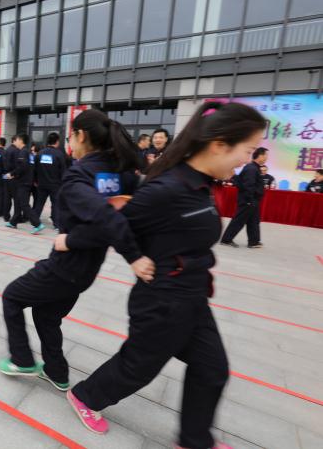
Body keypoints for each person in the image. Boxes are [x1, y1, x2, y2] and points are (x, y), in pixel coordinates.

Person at [66, 102, 266, 449]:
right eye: (248, 150)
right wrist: (81, 244)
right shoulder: (167, 189)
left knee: (212, 369)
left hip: (193, 295)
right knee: (138, 367)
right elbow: (111, 223)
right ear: (219, 145)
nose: (249, 160)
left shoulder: (200, 183)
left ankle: (194, 440)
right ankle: (85, 396)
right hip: (162, 300)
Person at [0, 109, 151, 393]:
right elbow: (126, 212)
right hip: (86, 272)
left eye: (71, 136)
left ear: (81, 136)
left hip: (64, 267)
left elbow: (107, 218)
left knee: (12, 297)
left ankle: (22, 360)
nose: (70, 141)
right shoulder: (119, 173)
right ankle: (57, 372)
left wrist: (72, 241)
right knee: (46, 316)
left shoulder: (79, 175)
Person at [220, 146, 268, 248]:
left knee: (253, 220)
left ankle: (254, 241)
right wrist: (249, 200)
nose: (266, 158)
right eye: (265, 155)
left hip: (253, 200)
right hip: (248, 199)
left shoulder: (254, 168)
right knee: (239, 220)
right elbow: (248, 186)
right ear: (260, 155)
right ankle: (226, 240)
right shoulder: (251, 168)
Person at [5, 134, 45, 234]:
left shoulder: (23, 152)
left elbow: (22, 167)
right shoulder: (29, 152)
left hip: (23, 182)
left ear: (21, 140)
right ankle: (13, 222)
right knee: (19, 202)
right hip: (27, 181)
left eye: (17, 140)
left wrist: (12, 174)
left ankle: (37, 224)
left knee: (24, 204)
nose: (15, 142)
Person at [33, 133, 68, 230]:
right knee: (55, 204)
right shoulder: (59, 154)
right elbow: (63, 171)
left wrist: (35, 180)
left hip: (41, 184)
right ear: (57, 142)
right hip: (55, 185)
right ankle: (56, 225)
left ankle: (35, 222)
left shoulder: (40, 153)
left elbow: (35, 169)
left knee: (39, 203)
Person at [2, 137, 19, 221]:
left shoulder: (6, 150)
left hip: (6, 175)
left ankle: (6, 216)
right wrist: (14, 174)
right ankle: (16, 217)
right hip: (12, 176)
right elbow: (17, 165)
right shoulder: (16, 151)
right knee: (16, 198)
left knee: (7, 197)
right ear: (14, 141)